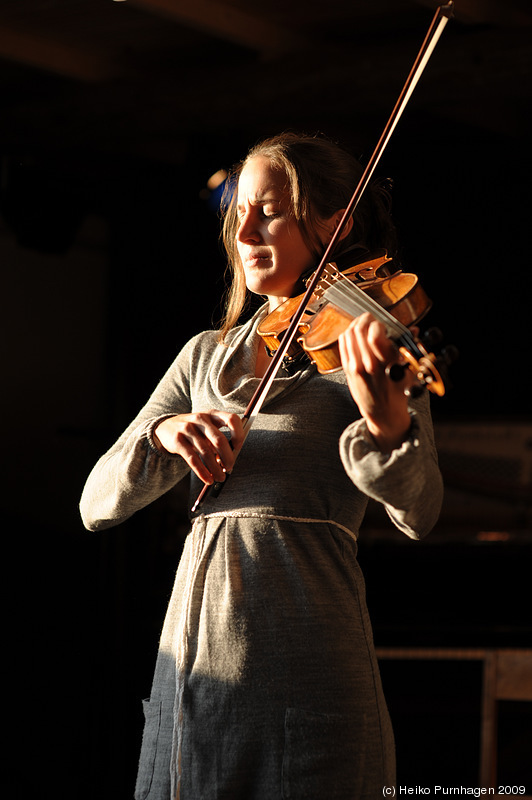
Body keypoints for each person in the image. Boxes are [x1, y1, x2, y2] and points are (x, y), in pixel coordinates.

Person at [80, 131, 443, 800]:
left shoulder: (373, 343)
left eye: (269, 211)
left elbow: (420, 513)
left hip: (310, 668)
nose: (244, 228)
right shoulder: (203, 357)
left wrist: (390, 422)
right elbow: (96, 504)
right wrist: (163, 433)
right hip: (194, 671)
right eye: (239, 210)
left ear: (336, 224)